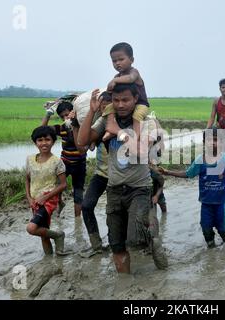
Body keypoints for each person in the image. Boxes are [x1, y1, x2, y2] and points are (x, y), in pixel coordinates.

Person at [78, 84, 168, 274]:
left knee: (134, 240)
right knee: (117, 244)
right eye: (116, 100)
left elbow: (141, 152)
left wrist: (118, 131)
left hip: (139, 188)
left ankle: (153, 239)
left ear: (136, 99)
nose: (120, 105)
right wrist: (92, 112)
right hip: (114, 188)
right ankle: (125, 284)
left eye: (125, 100)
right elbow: (82, 141)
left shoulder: (147, 122)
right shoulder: (106, 121)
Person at [160, 128, 225, 248]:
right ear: (204, 142)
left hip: (221, 203)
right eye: (209, 140)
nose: (213, 143)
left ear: (221, 142)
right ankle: (211, 250)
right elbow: (188, 174)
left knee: (224, 230)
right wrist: (168, 172)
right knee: (206, 229)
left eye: (216, 140)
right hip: (206, 203)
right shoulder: (200, 160)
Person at [75, 92, 112, 258]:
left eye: (107, 104)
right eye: (102, 105)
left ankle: (118, 244)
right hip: (101, 174)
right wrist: (91, 111)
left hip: (121, 177)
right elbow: (82, 146)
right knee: (86, 206)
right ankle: (96, 245)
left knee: (114, 213)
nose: (104, 108)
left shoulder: (124, 123)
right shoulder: (101, 122)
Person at [25, 126, 68, 255]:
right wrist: (29, 198)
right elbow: (27, 179)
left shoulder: (57, 162)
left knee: (31, 228)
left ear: (53, 141)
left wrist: (45, 197)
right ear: (35, 142)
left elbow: (63, 184)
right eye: (40, 140)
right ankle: (49, 261)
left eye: (47, 139)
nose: (44, 143)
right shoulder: (30, 159)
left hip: (48, 201)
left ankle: (58, 235)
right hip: (35, 201)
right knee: (43, 234)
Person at [42, 101, 87, 218]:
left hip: (80, 165)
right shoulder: (62, 128)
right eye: (62, 116)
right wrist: (48, 114)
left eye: (67, 115)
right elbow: (43, 129)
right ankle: (60, 203)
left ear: (73, 113)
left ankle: (78, 219)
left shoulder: (81, 127)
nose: (65, 118)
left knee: (78, 192)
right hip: (65, 162)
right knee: (57, 185)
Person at [101, 42, 150, 144]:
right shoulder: (117, 76)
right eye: (114, 61)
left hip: (140, 104)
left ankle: (136, 137)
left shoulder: (134, 72)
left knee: (137, 115)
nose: (117, 63)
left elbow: (130, 79)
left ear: (131, 60)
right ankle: (110, 129)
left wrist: (115, 81)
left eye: (121, 59)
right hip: (126, 105)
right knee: (109, 107)